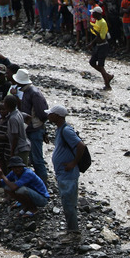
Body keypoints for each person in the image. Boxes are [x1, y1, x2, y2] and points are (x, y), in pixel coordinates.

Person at [47, 104, 89, 242]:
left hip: (68, 174)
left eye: (51, 114)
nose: (48, 116)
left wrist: (73, 163)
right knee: (66, 203)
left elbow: (81, 145)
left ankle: (74, 233)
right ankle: (70, 230)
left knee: (69, 204)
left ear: (57, 116)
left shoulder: (66, 130)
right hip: (63, 174)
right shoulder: (60, 129)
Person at [10, 69, 50, 182]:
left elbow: (43, 114)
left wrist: (42, 129)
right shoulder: (27, 91)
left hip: (35, 130)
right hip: (30, 129)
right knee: (33, 158)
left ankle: (43, 184)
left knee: (37, 159)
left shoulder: (34, 93)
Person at [88, 6, 115, 89]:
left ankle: (108, 85)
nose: (92, 14)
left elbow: (102, 37)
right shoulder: (97, 21)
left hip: (103, 46)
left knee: (100, 66)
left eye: (93, 13)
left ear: (97, 14)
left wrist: (93, 30)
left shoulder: (103, 23)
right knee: (92, 62)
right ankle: (107, 76)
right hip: (98, 46)